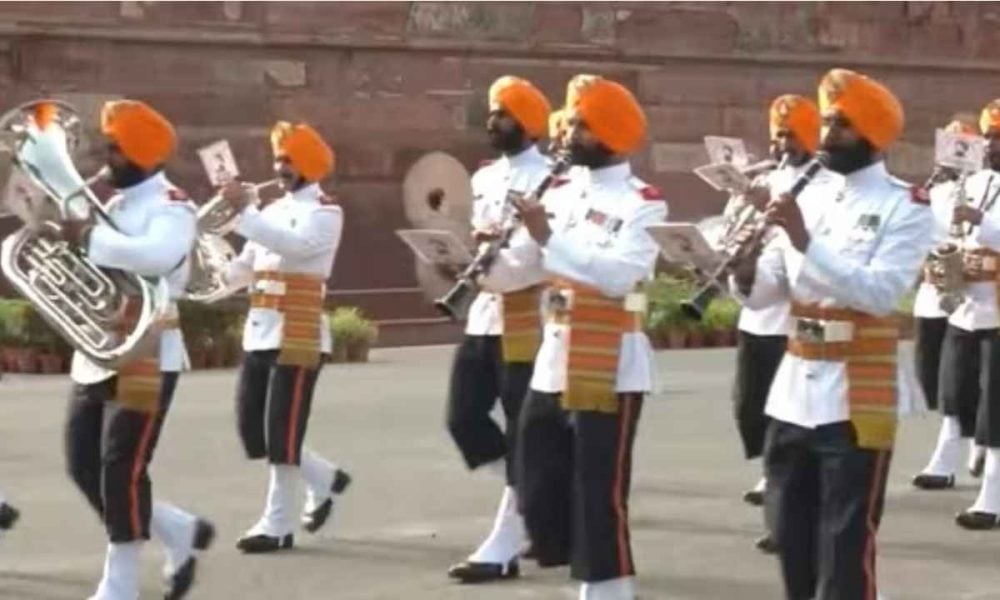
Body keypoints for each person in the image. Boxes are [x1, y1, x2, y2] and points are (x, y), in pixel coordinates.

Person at [731, 68, 932, 599]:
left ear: (873, 132)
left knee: (844, 541)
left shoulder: (903, 206)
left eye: (841, 123)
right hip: (795, 389)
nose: (828, 132)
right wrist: (743, 267)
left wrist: (801, 240)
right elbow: (768, 292)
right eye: (826, 121)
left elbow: (880, 293)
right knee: (789, 533)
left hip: (855, 395)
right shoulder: (806, 195)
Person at [512, 75, 665, 600]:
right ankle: (573, 562)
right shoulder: (557, 190)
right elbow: (528, 265)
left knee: (599, 489)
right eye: (569, 121)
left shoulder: (642, 202)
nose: (566, 133)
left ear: (609, 133)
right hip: (554, 353)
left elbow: (619, 276)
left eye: (580, 124)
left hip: (610, 361)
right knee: (535, 478)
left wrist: (548, 237)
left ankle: (608, 590)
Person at [58, 99, 214, 600]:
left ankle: (119, 583)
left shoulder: (172, 205)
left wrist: (90, 238)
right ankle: (176, 531)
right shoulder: (116, 203)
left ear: (142, 155)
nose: (105, 160)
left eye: (115, 150)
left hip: (148, 351)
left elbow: (158, 257)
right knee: (82, 464)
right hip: (99, 347)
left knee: (121, 466)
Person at [221, 121, 351, 553]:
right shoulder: (269, 212)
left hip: (299, 333)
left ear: (310, 164)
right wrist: (202, 271)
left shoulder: (326, 211)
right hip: (260, 330)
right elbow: (245, 266)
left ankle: (277, 524)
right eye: (278, 159)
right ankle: (326, 479)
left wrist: (243, 213)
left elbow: (293, 247)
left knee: (282, 430)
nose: (281, 167)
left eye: (289, 160)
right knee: (253, 431)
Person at [444, 75, 552, 583]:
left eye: (504, 114)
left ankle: (505, 541)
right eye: (492, 113)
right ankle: (534, 495)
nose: (493, 122)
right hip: (485, 313)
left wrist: (479, 265)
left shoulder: (552, 178)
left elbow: (531, 262)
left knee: (520, 424)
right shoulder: (485, 177)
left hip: (526, 316)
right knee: (462, 417)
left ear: (529, 124)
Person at [912, 116, 991, 492]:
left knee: (987, 387)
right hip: (954, 296)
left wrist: (982, 223)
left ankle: (976, 451)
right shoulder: (956, 187)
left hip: (991, 301)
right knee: (945, 380)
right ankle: (962, 443)